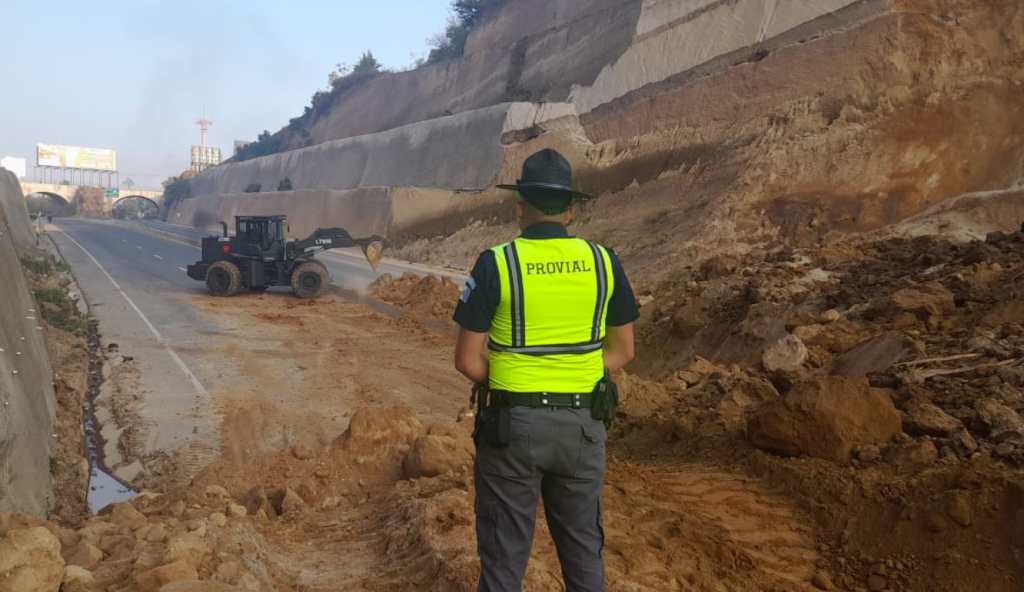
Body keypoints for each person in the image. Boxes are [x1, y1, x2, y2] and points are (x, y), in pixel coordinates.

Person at [453, 149, 639, 591]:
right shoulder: (604, 261)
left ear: (520, 207)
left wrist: (517, 377)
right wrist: (572, 371)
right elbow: (623, 350)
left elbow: (467, 359)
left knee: (504, 558)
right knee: (583, 550)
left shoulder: (497, 262)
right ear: (571, 209)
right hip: (583, 427)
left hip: (512, 426)